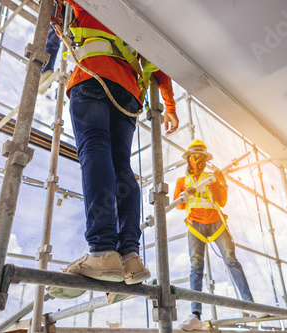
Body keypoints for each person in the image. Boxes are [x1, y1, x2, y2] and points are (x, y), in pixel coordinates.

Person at [48, 1, 179, 298]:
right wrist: (170, 107)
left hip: (93, 75)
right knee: (121, 163)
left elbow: (54, 16)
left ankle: (103, 249)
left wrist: (46, 64)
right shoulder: (138, 15)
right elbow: (159, 64)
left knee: (95, 150)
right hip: (129, 92)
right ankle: (130, 255)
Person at [173, 139, 254, 331]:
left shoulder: (211, 177)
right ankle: (196, 315)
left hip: (216, 223)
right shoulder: (182, 181)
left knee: (231, 260)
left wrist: (222, 181)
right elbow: (179, 204)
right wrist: (187, 194)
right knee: (196, 268)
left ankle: (249, 306)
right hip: (195, 226)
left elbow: (222, 201)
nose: (197, 161)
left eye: (200, 157)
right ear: (189, 159)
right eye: (194, 157)